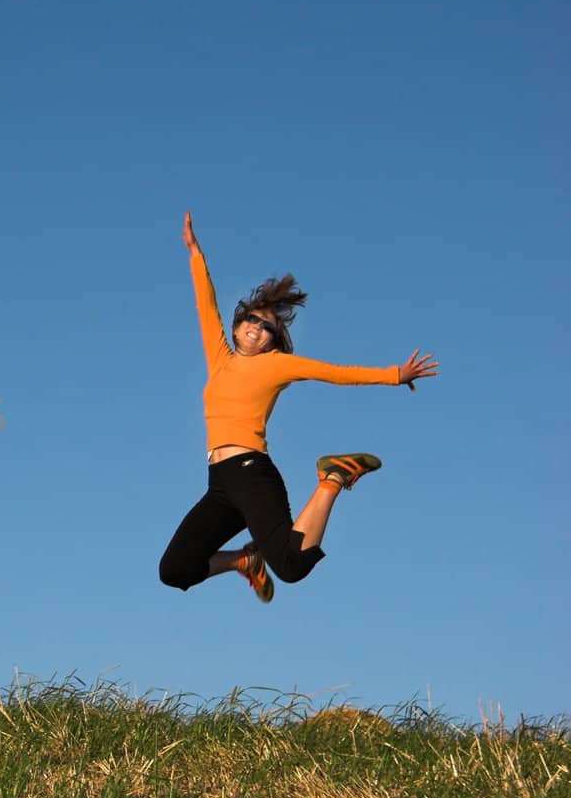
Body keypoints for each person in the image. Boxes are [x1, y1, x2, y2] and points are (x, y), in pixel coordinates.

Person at [158, 212, 439, 602]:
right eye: (251, 320)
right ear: (238, 326)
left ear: (272, 341)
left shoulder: (277, 365)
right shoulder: (220, 359)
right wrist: (194, 253)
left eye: (267, 327)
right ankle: (244, 562)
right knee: (175, 570)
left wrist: (395, 374)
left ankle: (334, 477)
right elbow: (205, 307)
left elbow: (336, 372)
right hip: (220, 484)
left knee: (291, 566)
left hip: (252, 473)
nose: (257, 327)